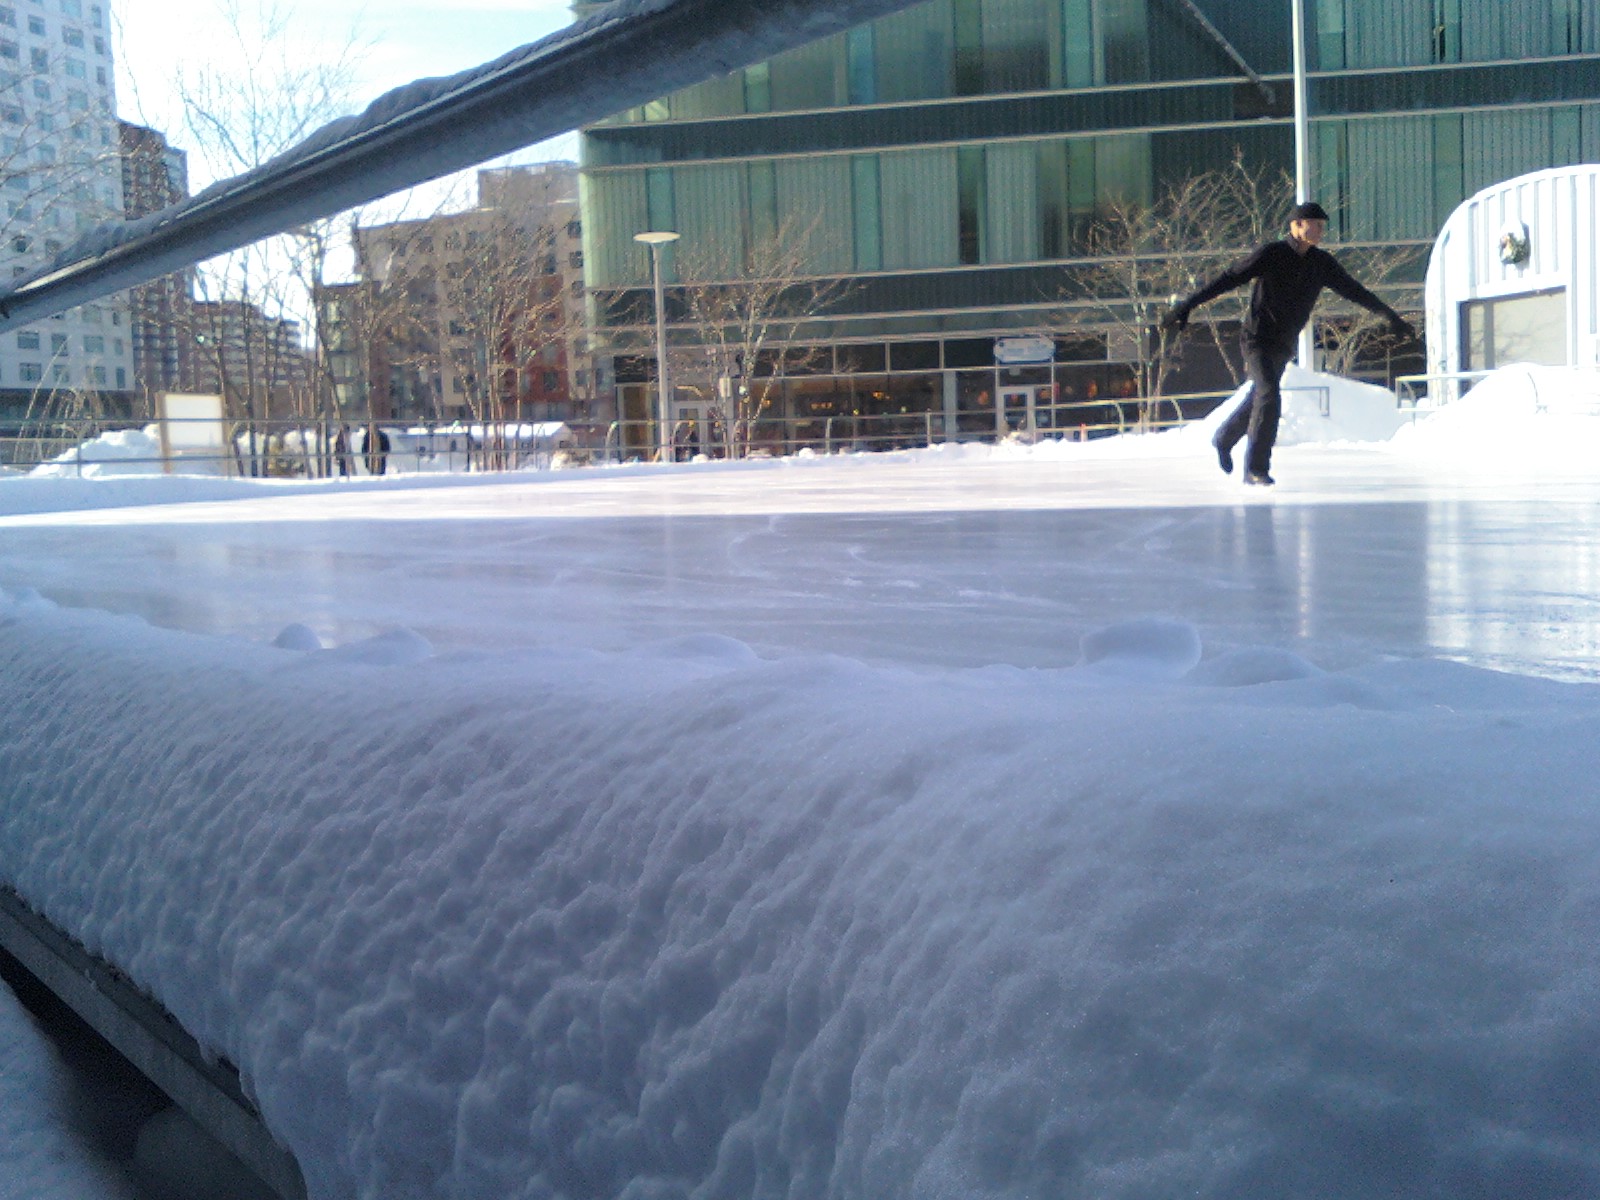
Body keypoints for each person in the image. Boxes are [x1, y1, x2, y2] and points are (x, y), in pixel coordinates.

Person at [1163, 201, 1414, 487]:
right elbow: (1229, 278)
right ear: (1297, 225)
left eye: (1322, 226)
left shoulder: (1321, 263)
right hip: (1257, 338)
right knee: (1269, 395)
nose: (1320, 231)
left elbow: (1355, 290)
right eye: (1316, 225)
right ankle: (1256, 469)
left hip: (1283, 343)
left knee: (1260, 396)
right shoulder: (1272, 254)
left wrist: (1391, 317)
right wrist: (1186, 306)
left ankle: (1224, 437)